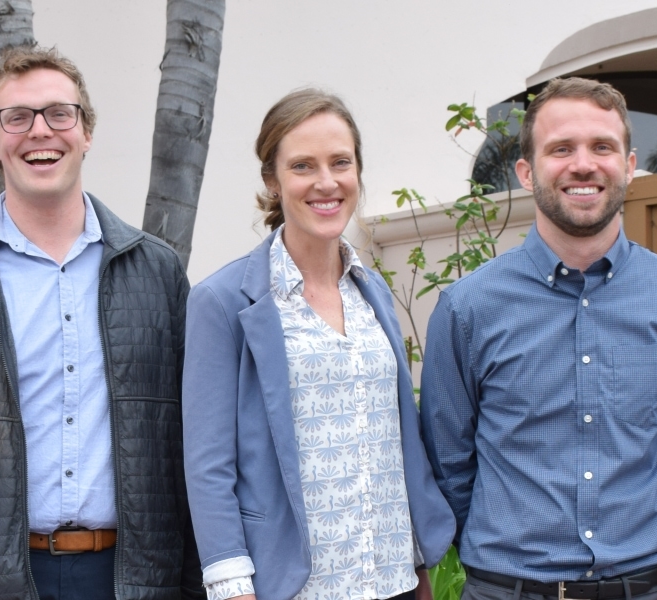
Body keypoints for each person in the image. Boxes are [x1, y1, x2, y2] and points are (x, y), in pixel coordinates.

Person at [0, 45, 198, 598]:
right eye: (17, 118)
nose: (40, 132)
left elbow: (194, 444)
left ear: (86, 131)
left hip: (132, 579)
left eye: (59, 114)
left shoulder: (157, 272)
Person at [419, 77, 657, 600]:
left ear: (628, 165)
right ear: (526, 171)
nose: (583, 164)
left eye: (602, 147)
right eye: (561, 149)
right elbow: (449, 463)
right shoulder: (468, 308)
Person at [181, 89, 456, 600]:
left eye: (340, 163)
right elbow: (208, 463)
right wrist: (231, 585)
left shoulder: (371, 289)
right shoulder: (222, 301)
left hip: (391, 577)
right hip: (294, 586)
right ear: (272, 179)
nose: (326, 182)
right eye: (303, 165)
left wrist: (418, 564)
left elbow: (394, 440)